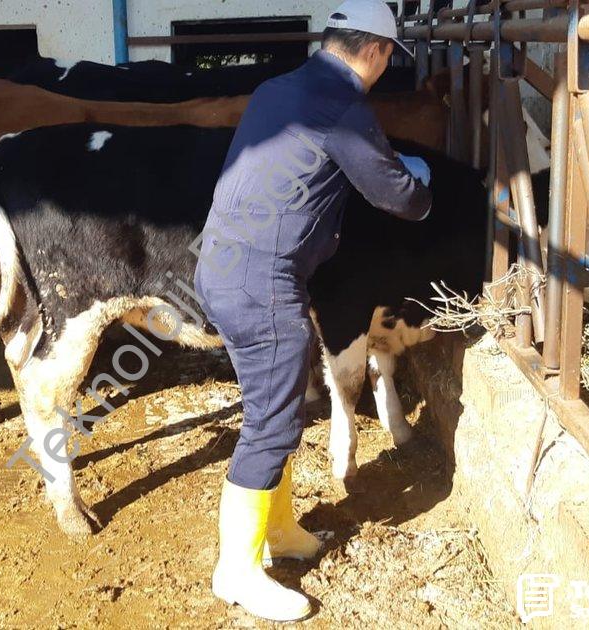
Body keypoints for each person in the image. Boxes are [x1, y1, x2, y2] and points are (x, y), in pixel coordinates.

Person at [193, 0, 434, 621]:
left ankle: (279, 531)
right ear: (377, 50)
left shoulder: (280, 87)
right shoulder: (343, 106)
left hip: (223, 259)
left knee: (272, 407)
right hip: (260, 281)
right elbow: (395, 197)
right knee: (271, 423)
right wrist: (421, 182)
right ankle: (237, 571)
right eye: (388, 58)